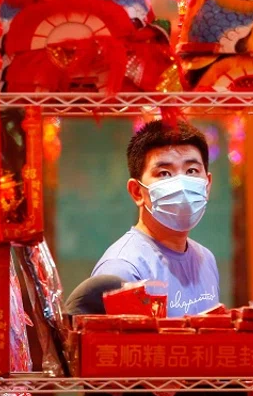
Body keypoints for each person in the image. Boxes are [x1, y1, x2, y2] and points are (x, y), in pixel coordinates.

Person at [91, 120, 220, 317]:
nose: (182, 184)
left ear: (207, 184)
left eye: (192, 171)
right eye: (164, 173)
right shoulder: (123, 270)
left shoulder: (206, 259)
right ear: (137, 192)